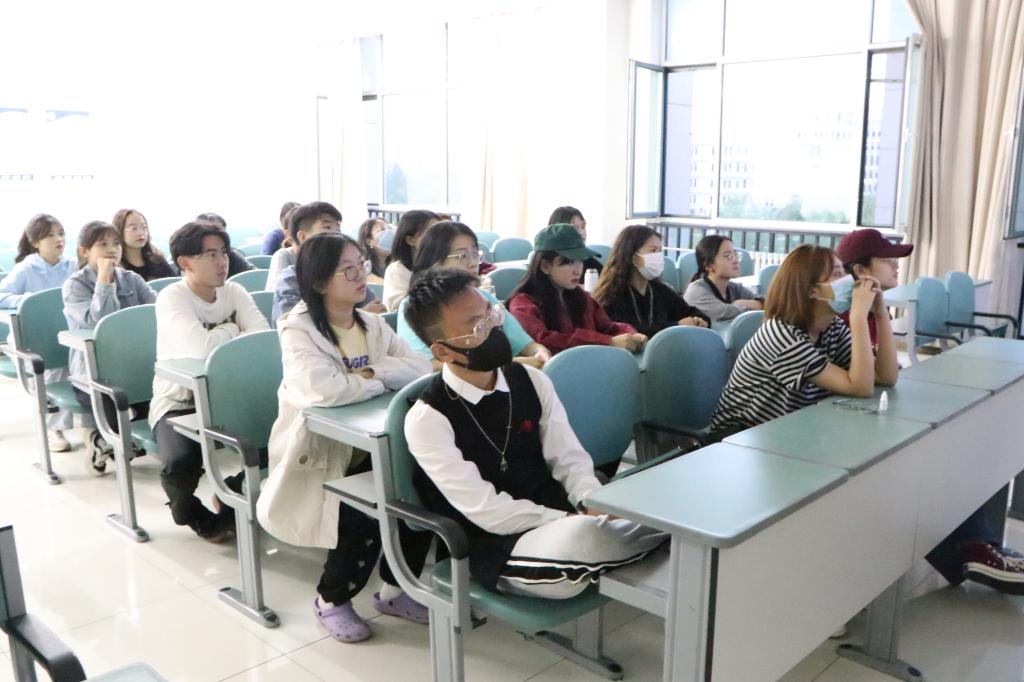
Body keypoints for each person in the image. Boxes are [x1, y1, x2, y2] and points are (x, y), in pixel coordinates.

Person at [402, 268, 666, 598]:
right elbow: (487, 511)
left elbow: (569, 458)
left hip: (562, 515)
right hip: (499, 542)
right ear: (442, 351)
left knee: (658, 501)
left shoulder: (531, 380)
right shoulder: (427, 418)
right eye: (477, 326)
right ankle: (644, 542)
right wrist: (571, 518)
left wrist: (588, 500)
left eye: (492, 314)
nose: (494, 328)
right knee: (583, 539)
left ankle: (625, 545)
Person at [257, 232, 432, 643]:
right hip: (320, 450)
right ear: (320, 281)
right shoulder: (298, 329)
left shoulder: (371, 323)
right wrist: (380, 378)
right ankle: (331, 599)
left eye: (362, 266)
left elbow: (419, 366)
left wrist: (369, 374)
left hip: (372, 438)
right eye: (348, 270)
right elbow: (323, 390)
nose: (361, 277)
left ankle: (395, 590)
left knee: (421, 490)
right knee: (360, 511)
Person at [149, 221, 270, 542]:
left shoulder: (234, 291)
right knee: (181, 459)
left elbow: (261, 337)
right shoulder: (172, 298)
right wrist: (233, 328)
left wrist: (222, 337)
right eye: (211, 255)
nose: (222, 262)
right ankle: (186, 509)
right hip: (179, 400)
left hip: (231, 395)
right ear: (185, 262)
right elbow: (201, 350)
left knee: (280, 439)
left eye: (224, 253)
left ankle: (233, 492)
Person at [709, 243, 899, 438]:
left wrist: (880, 313)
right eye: (837, 275)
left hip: (793, 429)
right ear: (812, 290)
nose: (850, 282)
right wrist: (858, 316)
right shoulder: (781, 336)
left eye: (845, 273)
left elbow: (886, 377)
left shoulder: (831, 327)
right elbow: (861, 388)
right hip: (742, 437)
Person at [63, 221, 156, 473]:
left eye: (116, 243)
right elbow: (101, 325)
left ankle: (115, 439)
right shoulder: (75, 285)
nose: (112, 249)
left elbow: (156, 313)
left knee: (160, 412)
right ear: (84, 251)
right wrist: (104, 280)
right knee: (118, 437)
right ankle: (97, 440)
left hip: (135, 366)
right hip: (94, 374)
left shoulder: (132, 279)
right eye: (102, 244)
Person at [395, 221, 551, 368]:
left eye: (475, 254)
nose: (473, 263)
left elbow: (528, 345)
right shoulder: (416, 307)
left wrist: (540, 353)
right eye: (462, 256)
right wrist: (510, 364)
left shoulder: (484, 297)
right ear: (435, 262)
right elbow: (430, 365)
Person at [0, 214, 78, 452]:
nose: (58, 239)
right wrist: (29, 301)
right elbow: (2, 296)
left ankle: (94, 429)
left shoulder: (73, 265)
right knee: (55, 367)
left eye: (61, 233)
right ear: (35, 242)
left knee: (87, 365)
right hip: (34, 341)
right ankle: (55, 429)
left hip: (67, 336)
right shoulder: (26, 268)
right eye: (50, 235)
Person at [507, 223, 645, 355]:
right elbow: (542, 340)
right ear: (545, 266)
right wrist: (607, 342)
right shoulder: (523, 304)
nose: (578, 270)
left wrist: (631, 335)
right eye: (568, 262)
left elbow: (608, 327)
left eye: (580, 261)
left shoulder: (582, 297)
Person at [594, 225, 709, 337]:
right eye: (653, 250)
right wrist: (675, 326)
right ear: (633, 257)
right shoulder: (611, 295)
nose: (659, 256)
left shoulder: (660, 290)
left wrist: (698, 321)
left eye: (659, 251)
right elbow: (628, 331)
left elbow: (692, 312)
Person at [836, 228, 913, 350]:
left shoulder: (875, 309)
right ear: (861, 270)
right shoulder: (841, 322)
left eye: (895, 259)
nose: (896, 265)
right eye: (888, 260)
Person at [683, 235, 763, 323]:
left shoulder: (734, 288)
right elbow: (727, 313)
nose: (735, 260)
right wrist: (749, 305)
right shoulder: (696, 291)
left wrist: (742, 303)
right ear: (708, 265)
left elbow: (768, 304)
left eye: (735, 254)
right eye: (727, 256)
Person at [266, 202, 341, 293]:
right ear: (302, 237)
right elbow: (280, 293)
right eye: (327, 228)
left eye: (338, 230)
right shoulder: (284, 258)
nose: (335, 235)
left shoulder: (337, 259)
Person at [382, 209, 440, 311]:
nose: (439, 238)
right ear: (410, 240)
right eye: (431, 233)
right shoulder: (397, 270)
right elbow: (399, 308)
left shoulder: (439, 265)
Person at [112, 208, 176, 281]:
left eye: (144, 227)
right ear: (119, 230)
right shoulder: (116, 268)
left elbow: (175, 282)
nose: (141, 233)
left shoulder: (157, 261)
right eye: (134, 228)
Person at [195, 212, 255, 277]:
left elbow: (255, 274)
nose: (222, 263)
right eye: (207, 233)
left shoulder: (231, 255)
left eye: (219, 232)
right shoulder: (190, 257)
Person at [548, 206, 601, 274]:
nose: (582, 233)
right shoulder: (548, 259)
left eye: (583, 227)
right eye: (574, 228)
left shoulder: (590, 263)